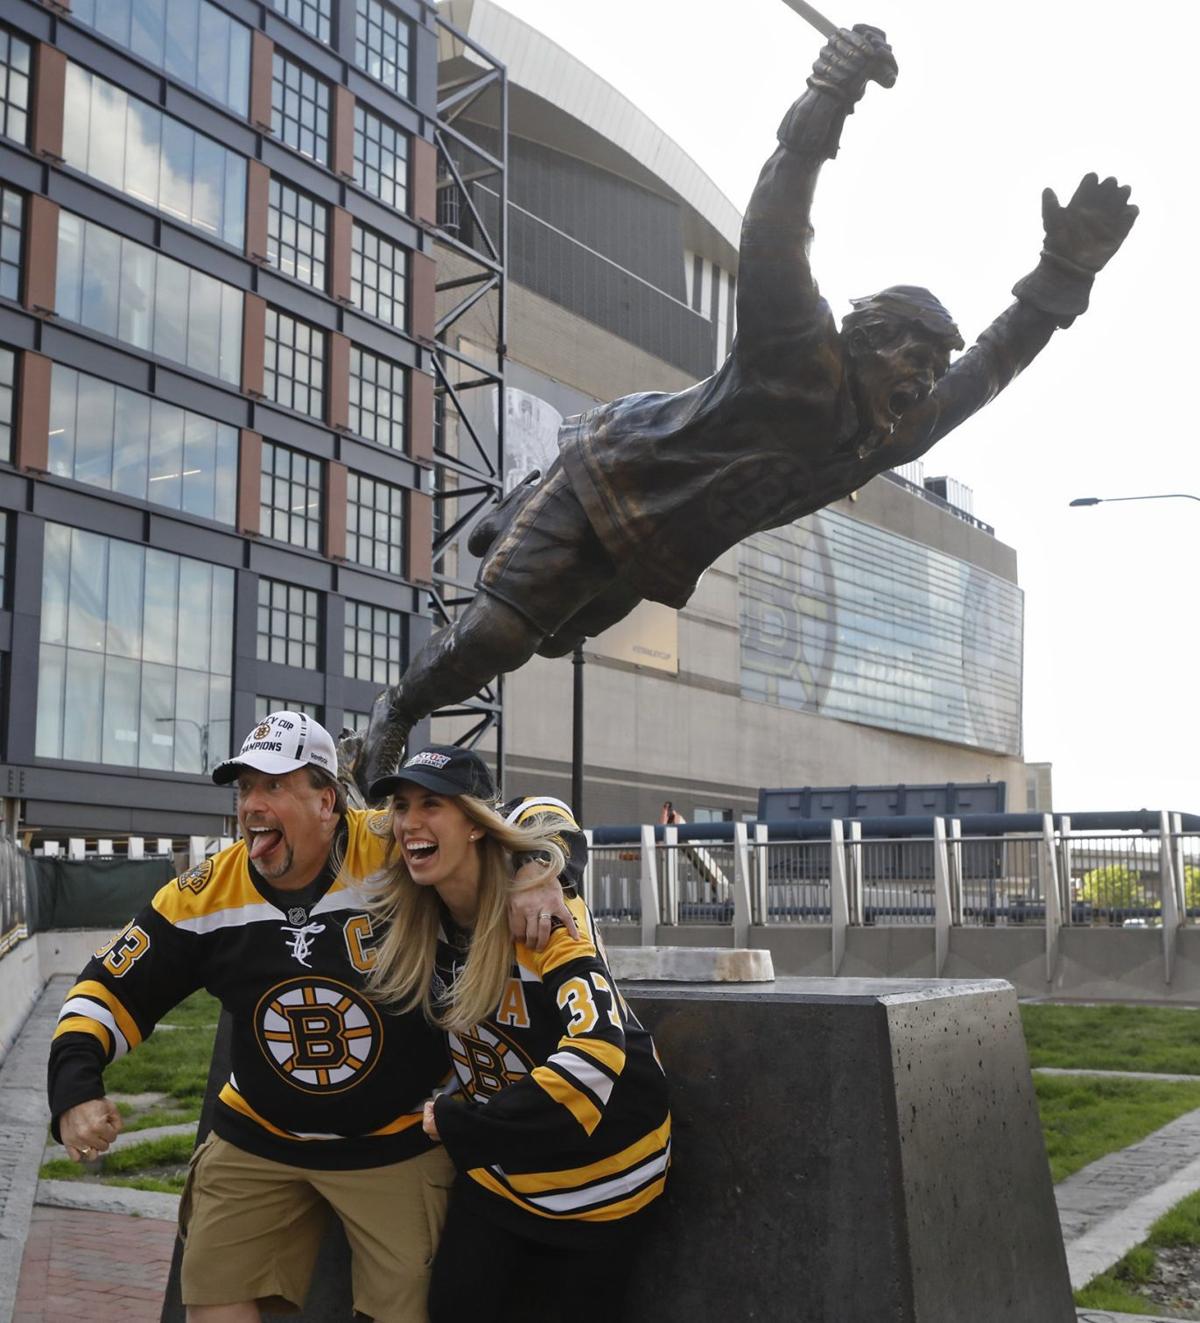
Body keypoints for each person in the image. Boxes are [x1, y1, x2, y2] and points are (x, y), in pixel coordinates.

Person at [355, 21, 1137, 792]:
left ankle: (517, 521)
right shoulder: (797, 348)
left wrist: (1062, 274)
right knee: (501, 632)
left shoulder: (894, 432)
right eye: (915, 355)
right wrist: (831, 91)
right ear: (868, 338)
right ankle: (394, 712)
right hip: (611, 474)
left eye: (935, 367)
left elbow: (993, 363)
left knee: (554, 638)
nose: (928, 378)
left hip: (654, 548)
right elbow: (775, 221)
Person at [47, 712, 577, 1323]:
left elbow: (535, 814)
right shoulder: (204, 894)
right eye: (246, 788)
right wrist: (76, 1088)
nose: (253, 805)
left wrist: (540, 870)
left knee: (408, 1309)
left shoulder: (395, 840)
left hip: (396, 1140)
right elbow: (105, 989)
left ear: (327, 800)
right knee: (213, 1298)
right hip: (258, 1138)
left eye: (275, 786)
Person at [364, 746, 670, 1322]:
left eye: (432, 803)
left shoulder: (543, 912)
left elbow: (600, 1051)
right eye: (402, 806)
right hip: (502, 1175)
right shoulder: (416, 919)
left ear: (476, 827)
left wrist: (461, 1121)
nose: (409, 823)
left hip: (606, 1181)